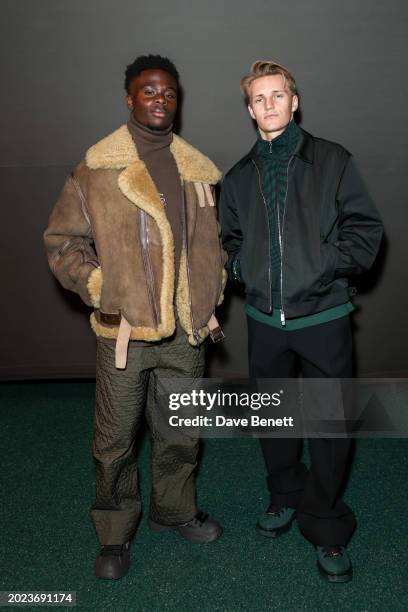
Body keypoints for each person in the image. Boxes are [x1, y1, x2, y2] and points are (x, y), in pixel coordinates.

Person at [44, 54, 226, 580]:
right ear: (130, 98)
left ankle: (173, 511)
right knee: (115, 439)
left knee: (180, 431)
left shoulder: (196, 169)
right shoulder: (96, 169)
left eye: (169, 92)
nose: (160, 99)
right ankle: (115, 530)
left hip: (185, 333)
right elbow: (62, 244)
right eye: (149, 91)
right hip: (124, 331)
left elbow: (209, 246)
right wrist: (102, 287)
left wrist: (209, 292)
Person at [219, 60, 383, 582]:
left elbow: (365, 230)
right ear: (250, 110)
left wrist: (321, 265)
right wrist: (245, 268)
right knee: (274, 417)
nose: (268, 105)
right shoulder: (239, 175)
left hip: (325, 316)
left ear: (294, 101)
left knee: (331, 425)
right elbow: (230, 243)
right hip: (265, 320)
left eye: (277, 95)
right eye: (258, 98)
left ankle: (326, 522)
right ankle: (285, 493)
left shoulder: (332, 159)